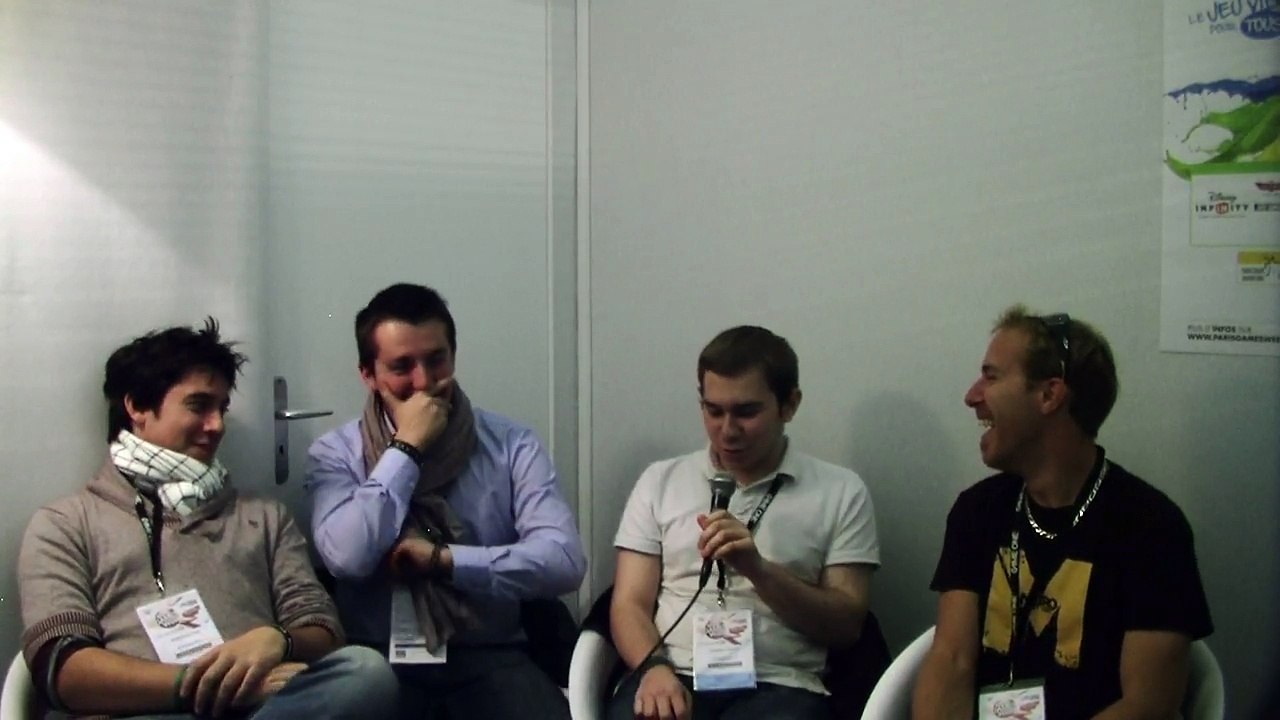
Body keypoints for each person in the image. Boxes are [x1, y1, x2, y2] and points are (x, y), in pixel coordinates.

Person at [18, 319, 397, 720]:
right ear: (137, 407)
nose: (217, 425)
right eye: (199, 406)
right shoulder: (65, 523)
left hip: (266, 710)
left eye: (222, 409)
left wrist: (277, 640)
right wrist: (205, 686)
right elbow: (63, 671)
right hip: (146, 712)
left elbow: (323, 630)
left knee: (366, 672)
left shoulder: (263, 516)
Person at [912, 306, 1213, 720]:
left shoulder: (1151, 527)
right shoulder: (978, 511)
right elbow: (951, 660)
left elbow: (1148, 705)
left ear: (1049, 395)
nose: (972, 396)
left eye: (991, 377)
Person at [305, 282, 586, 719]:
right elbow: (348, 558)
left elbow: (564, 561)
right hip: (378, 662)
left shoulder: (511, 444)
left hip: (488, 654)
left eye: (436, 360)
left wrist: (445, 561)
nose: (423, 382)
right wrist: (407, 449)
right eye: (402, 366)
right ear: (368, 375)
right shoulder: (335, 453)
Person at [608, 325, 880, 720]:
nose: (727, 431)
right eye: (713, 411)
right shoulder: (660, 481)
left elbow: (846, 626)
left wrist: (759, 570)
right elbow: (628, 603)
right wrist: (653, 667)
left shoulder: (841, 492)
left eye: (746, 412)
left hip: (781, 684)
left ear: (789, 405)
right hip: (673, 672)